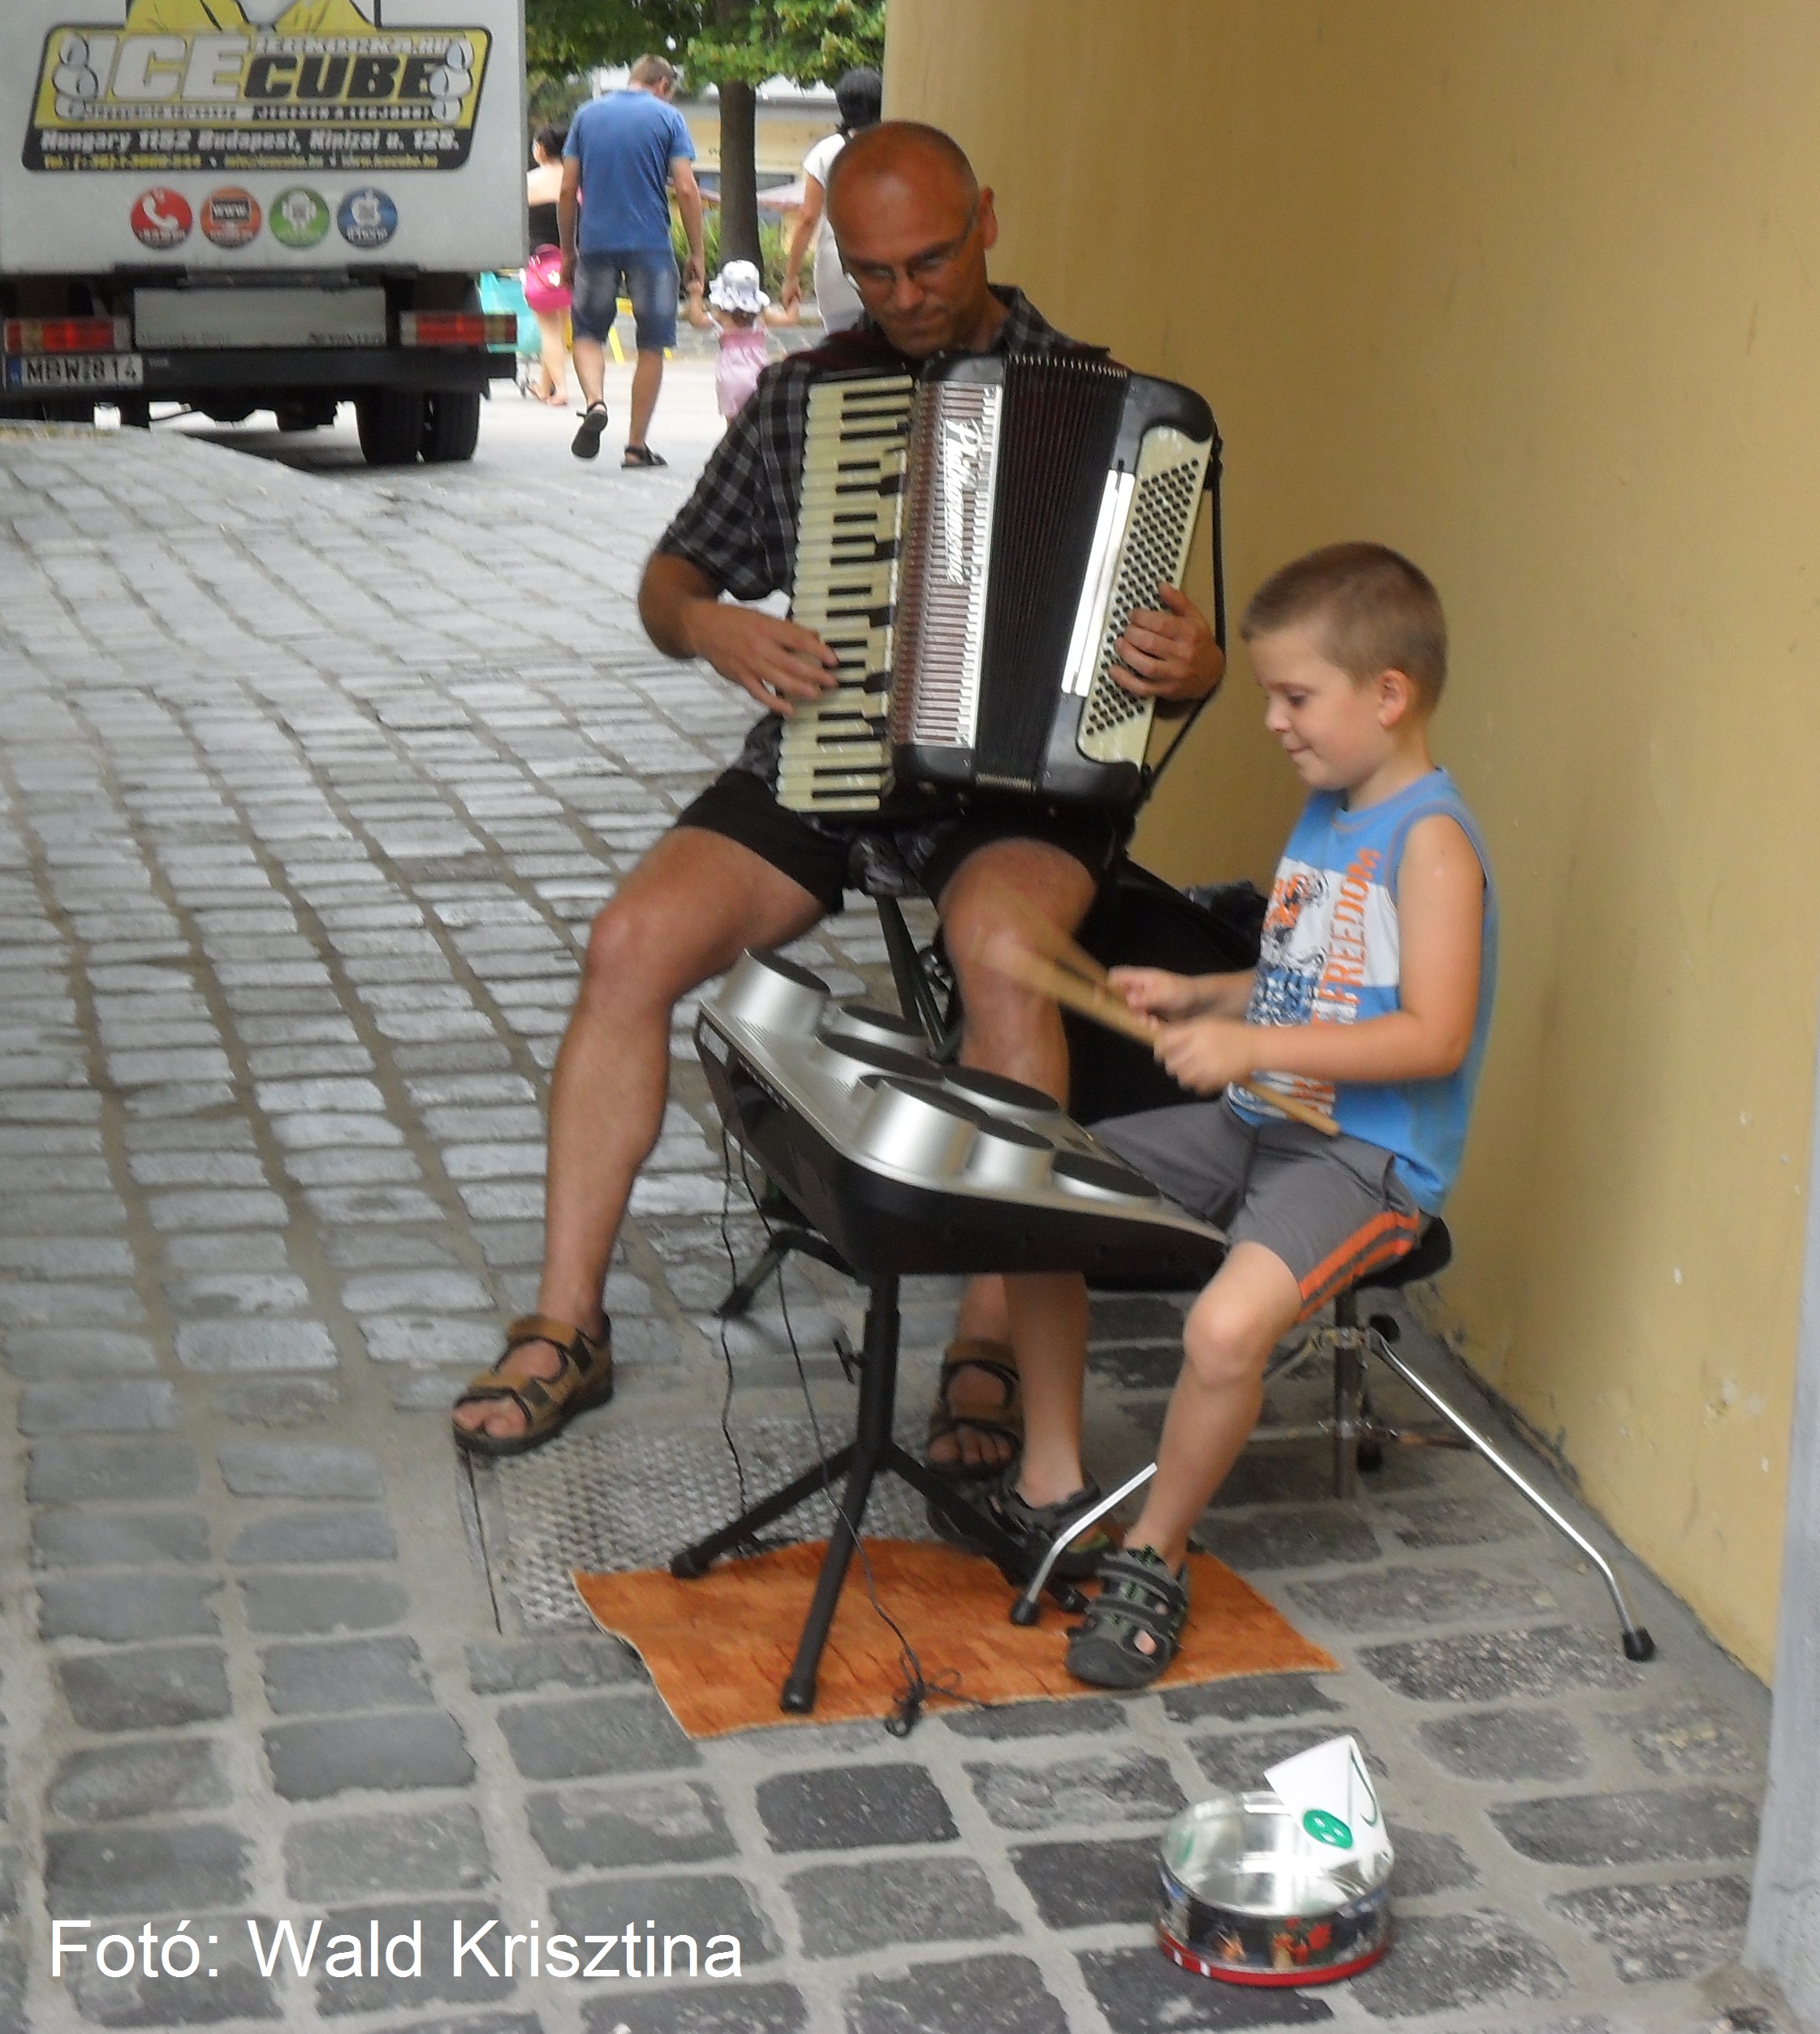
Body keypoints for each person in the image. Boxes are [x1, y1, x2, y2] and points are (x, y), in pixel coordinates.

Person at [451, 121, 1226, 1463]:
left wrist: (1190, 662)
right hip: (828, 758)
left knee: (1003, 957)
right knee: (629, 944)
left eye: (927, 260)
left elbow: (1165, 672)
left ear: (987, 218)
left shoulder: (1105, 409)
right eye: (871, 273)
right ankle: (566, 1321)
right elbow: (669, 581)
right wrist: (716, 630)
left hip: (1022, 795)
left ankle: (986, 1332)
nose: (905, 295)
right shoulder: (808, 396)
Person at [1002, 544, 1499, 1688]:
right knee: (1031, 1186)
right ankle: (1053, 1482)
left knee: (1223, 1333)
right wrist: (1199, 995)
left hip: (1364, 1160)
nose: (1271, 720)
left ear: (1388, 694)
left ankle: (1155, 1555)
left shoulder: (1428, 841)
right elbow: (1309, 984)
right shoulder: (1327, 812)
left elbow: (1429, 1032)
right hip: (1256, 1122)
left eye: (1293, 697)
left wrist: (1250, 1043)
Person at [560, 55, 708, 468]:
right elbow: (687, 188)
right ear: (662, 83)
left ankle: (595, 403)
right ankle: (635, 446)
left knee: (588, 332)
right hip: (651, 247)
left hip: (596, 245)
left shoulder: (586, 115)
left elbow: (568, 186)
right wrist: (697, 252)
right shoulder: (668, 118)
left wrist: (568, 249)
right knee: (652, 343)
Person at [781, 67, 882, 330]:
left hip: (837, 267)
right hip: (886, 266)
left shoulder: (826, 152)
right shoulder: (894, 146)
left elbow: (807, 218)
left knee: (842, 350)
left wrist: (791, 276)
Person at [681, 258, 798, 423]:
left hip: (730, 377)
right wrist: (793, 299)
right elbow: (790, 320)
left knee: (733, 429)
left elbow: (697, 321)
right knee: (759, 422)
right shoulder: (762, 314)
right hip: (759, 376)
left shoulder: (722, 314)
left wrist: (695, 294)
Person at [524, 123, 573, 406]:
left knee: (549, 331)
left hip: (540, 265)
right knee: (558, 328)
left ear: (540, 149)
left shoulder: (529, 182)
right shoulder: (576, 181)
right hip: (570, 265)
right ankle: (545, 386)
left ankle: (562, 389)